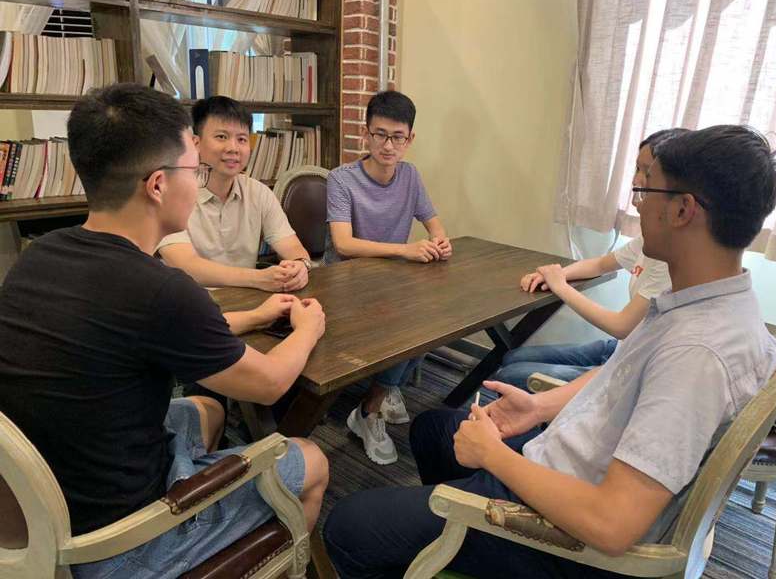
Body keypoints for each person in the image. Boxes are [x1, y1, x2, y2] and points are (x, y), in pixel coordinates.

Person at [323, 125, 776, 578]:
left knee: (346, 527)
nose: (638, 204)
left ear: (683, 210)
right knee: (432, 429)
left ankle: (465, 529)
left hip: (569, 535)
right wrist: (539, 407)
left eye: (645, 190)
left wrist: (495, 457)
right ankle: (453, 536)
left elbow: (612, 524)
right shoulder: (704, 305)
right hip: (566, 459)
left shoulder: (696, 354)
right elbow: (620, 374)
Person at [0, 84, 328, 579]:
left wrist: (255, 317)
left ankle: (199, 496)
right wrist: (308, 327)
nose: (198, 181)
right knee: (312, 459)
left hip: (38, 506)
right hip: (112, 543)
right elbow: (269, 383)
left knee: (209, 410)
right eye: (194, 170)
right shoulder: (161, 289)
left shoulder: (39, 256)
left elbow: (139, 333)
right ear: (158, 185)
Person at [496, 129, 687, 389]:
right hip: (622, 347)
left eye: (647, 172)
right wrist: (555, 274)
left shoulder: (672, 257)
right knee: (512, 357)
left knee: (509, 374)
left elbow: (621, 326)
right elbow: (600, 264)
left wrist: (560, 286)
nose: (636, 180)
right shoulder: (650, 238)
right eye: (636, 168)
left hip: (632, 361)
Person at [324, 90, 452, 466]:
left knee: (437, 315)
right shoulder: (341, 179)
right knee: (406, 325)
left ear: (410, 139)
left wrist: (440, 241)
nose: (388, 145)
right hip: (345, 285)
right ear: (366, 134)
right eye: (380, 134)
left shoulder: (410, 175)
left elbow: (434, 223)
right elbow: (343, 244)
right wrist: (405, 250)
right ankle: (368, 410)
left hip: (392, 282)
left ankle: (388, 386)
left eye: (398, 137)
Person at [159, 96, 312, 294]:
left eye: (241, 139)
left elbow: (291, 246)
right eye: (221, 137)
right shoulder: (171, 195)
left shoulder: (258, 192)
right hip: (188, 303)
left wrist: (300, 265)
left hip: (247, 300)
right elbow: (186, 265)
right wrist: (258, 278)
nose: (233, 148)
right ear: (196, 143)